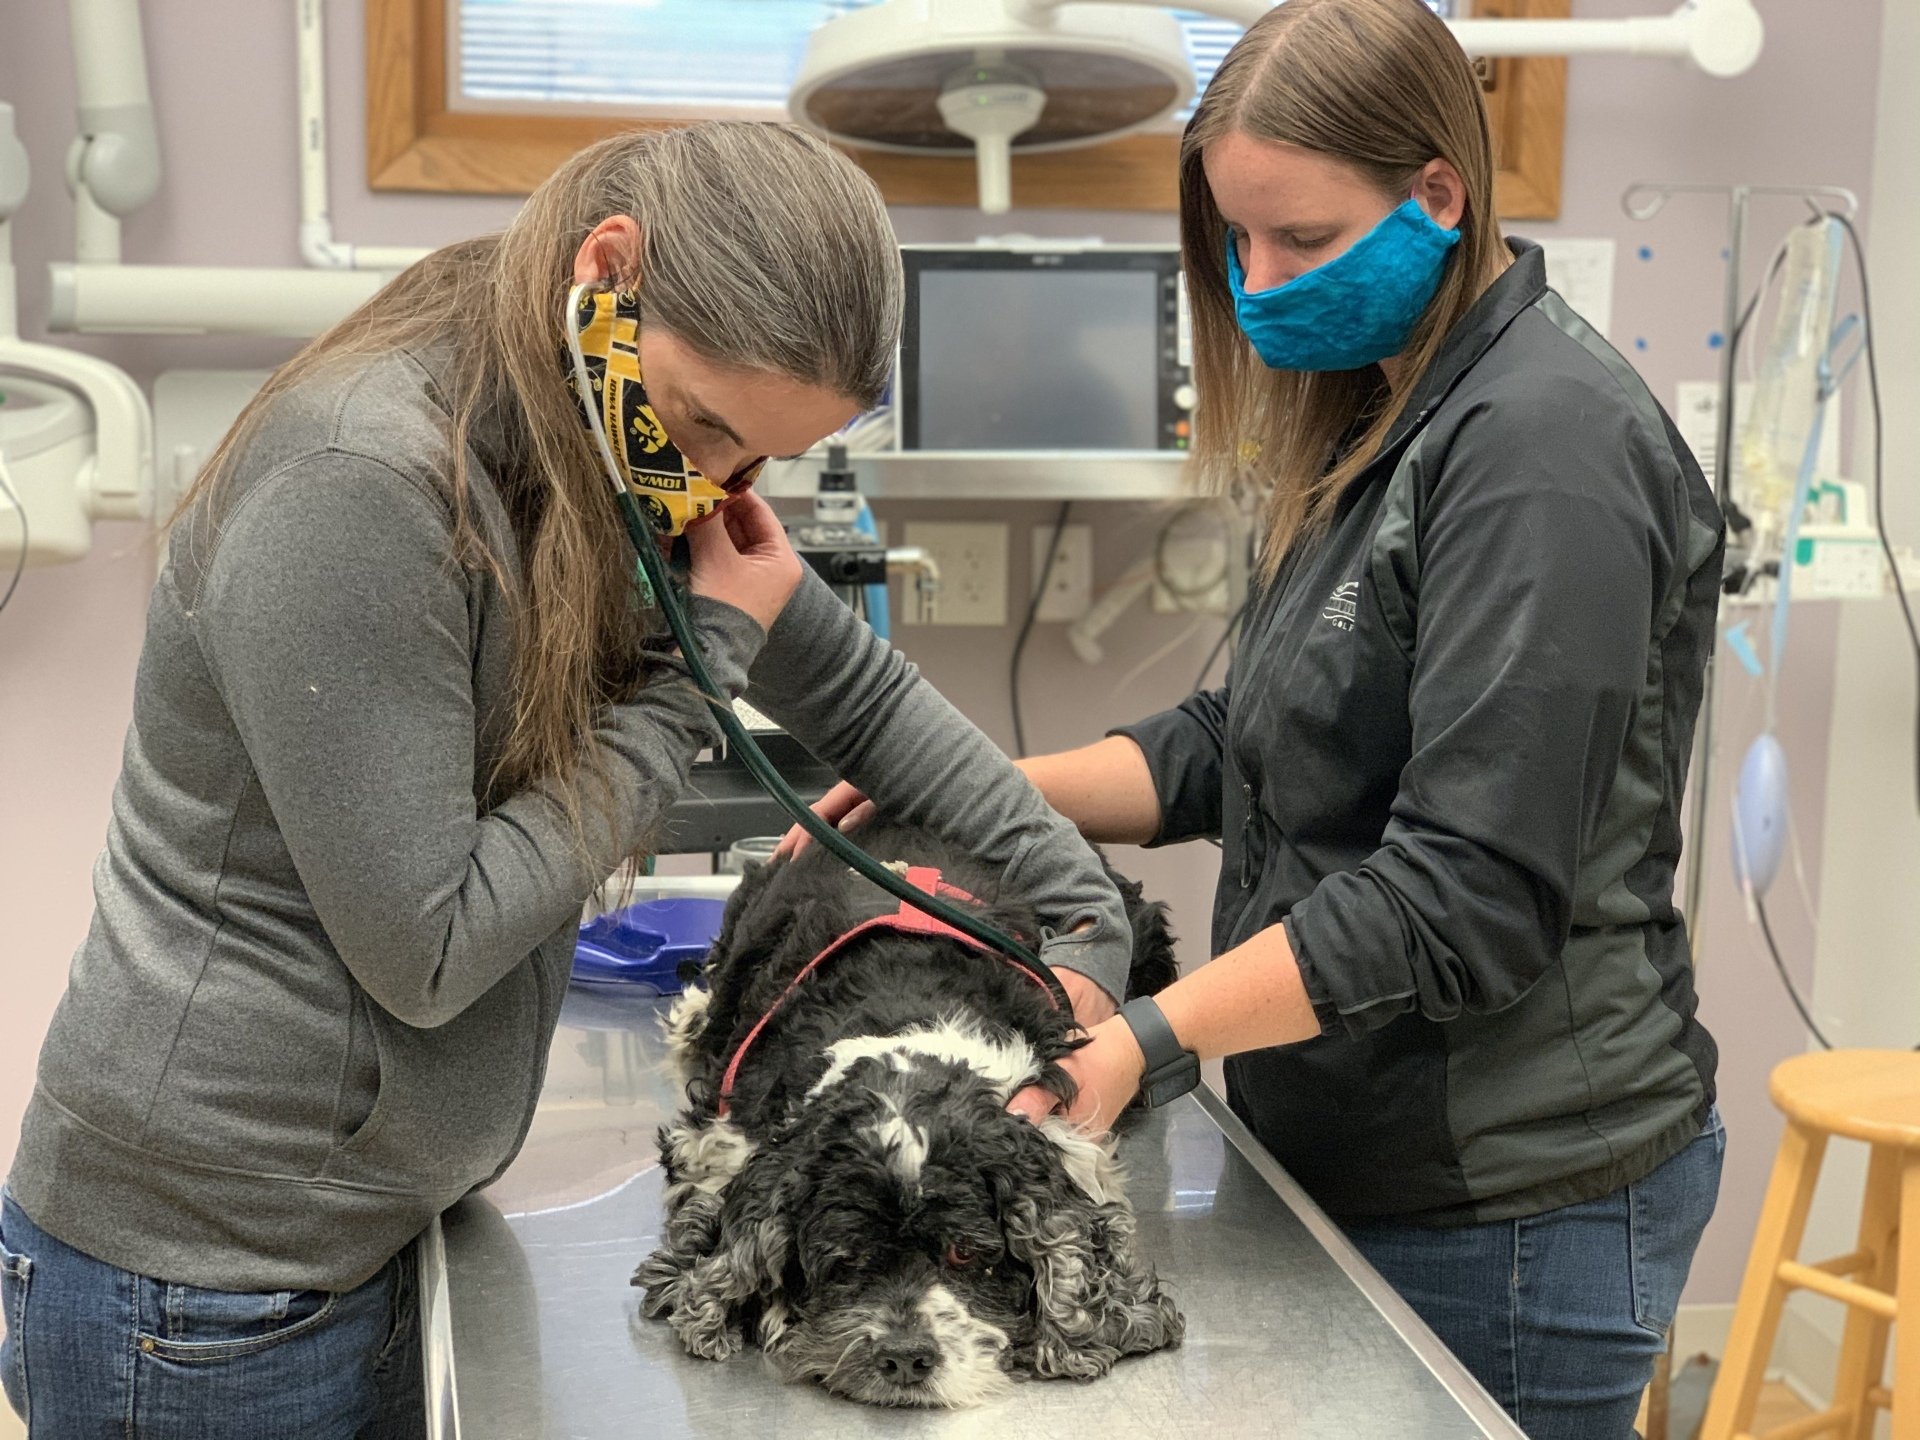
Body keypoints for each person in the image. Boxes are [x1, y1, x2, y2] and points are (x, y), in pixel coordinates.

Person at [0, 121, 1134, 1439]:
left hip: (373, 1223)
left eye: (762, 458)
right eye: (708, 425)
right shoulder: (358, 480)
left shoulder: (615, 438)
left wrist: (1081, 923)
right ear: (609, 272)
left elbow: (872, 703)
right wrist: (705, 663)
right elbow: (429, 945)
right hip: (201, 1285)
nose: (720, 484)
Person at [786, 2, 1726, 1433]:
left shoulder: (1544, 452)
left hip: (1514, 1196)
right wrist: (970, 788)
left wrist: (1147, 1041)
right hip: (1350, 1145)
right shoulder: (1382, 415)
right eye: (1240, 241)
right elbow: (1246, 746)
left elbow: (1468, 891)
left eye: (1304, 240)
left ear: (1438, 196)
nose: (1260, 280)